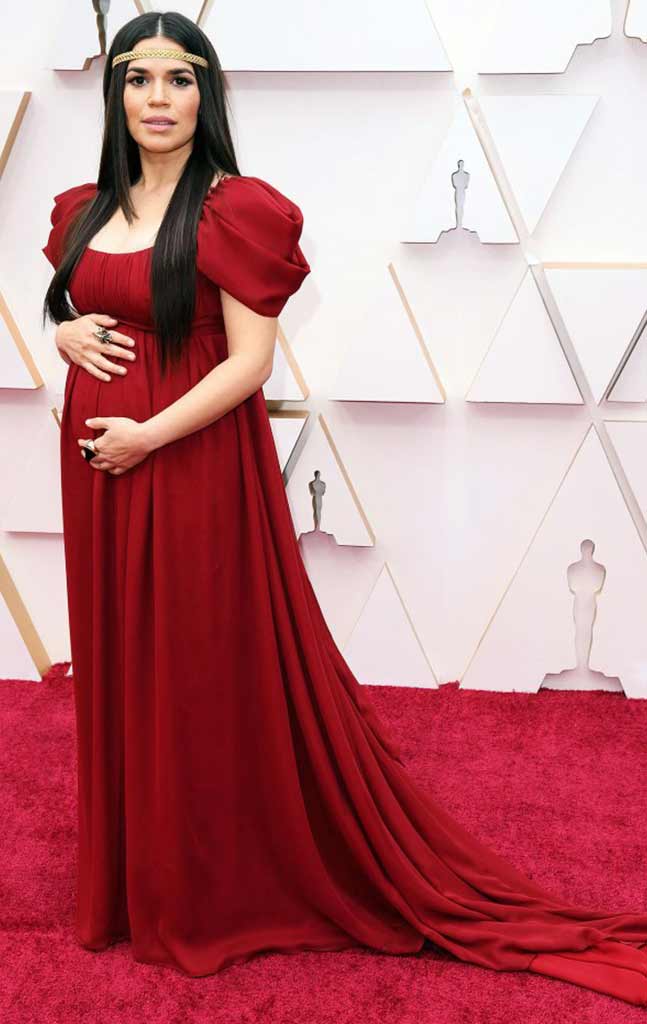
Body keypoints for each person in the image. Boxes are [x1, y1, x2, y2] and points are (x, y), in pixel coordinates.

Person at [41, 10, 647, 1005]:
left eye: (180, 78)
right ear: (113, 93)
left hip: (189, 468)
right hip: (98, 478)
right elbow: (75, 298)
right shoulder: (79, 210)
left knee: (194, 663)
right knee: (121, 658)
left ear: (208, 94)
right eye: (137, 77)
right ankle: (131, 878)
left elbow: (250, 363)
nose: (157, 98)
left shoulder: (235, 210)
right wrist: (62, 334)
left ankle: (204, 885)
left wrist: (148, 436)